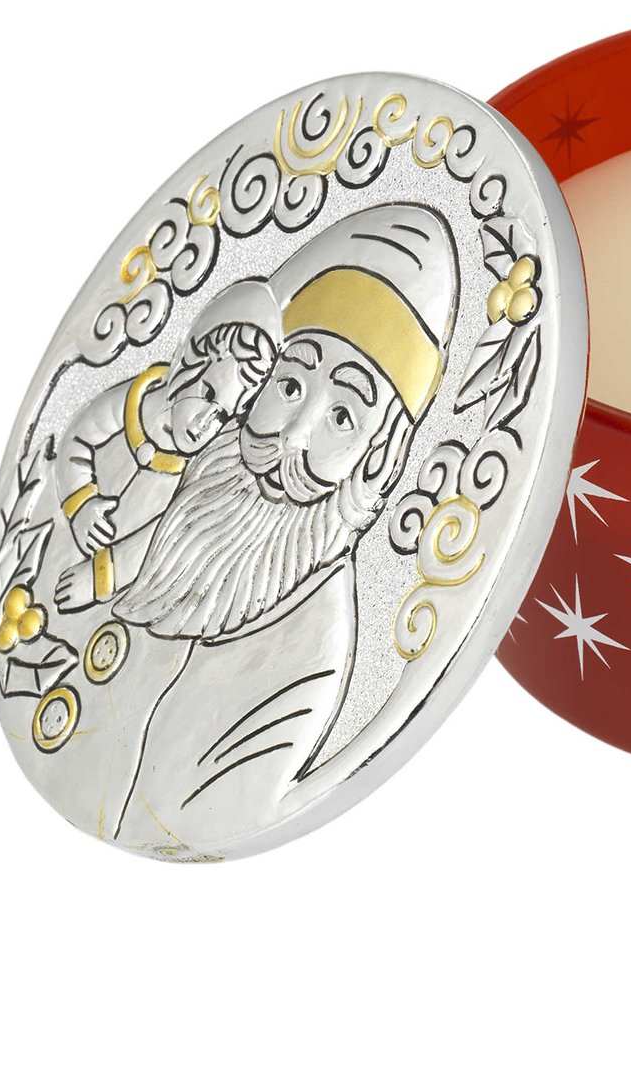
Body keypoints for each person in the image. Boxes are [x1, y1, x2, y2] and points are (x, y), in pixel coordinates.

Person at [111, 204, 458, 855]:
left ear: (378, 458)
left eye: (342, 418)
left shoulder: (308, 662)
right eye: (290, 384)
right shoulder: (157, 502)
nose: (290, 439)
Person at [51, 279, 281, 611]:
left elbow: (163, 535)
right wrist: (80, 504)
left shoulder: (199, 470)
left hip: (101, 583)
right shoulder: (135, 401)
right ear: (190, 362)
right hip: (60, 535)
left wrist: (101, 577)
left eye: (222, 416)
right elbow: (78, 436)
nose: (204, 424)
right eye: (208, 394)